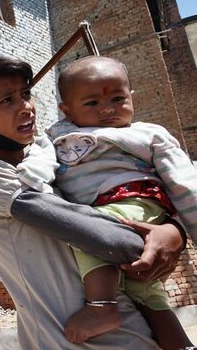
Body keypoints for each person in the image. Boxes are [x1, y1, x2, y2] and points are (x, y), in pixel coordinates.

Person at [0, 54, 186, 349]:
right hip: (70, 341)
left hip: (137, 336)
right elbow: (112, 238)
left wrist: (173, 231)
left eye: (25, 94)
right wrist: (172, 234)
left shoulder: (57, 163)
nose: (26, 108)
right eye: (7, 100)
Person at [18, 55, 195, 347]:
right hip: (102, 211)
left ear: (131, 97)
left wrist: (187, 228)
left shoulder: (147, 134)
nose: (108, 110)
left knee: (89, 233)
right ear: (67, 110)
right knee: (147, 291)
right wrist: (33, 176)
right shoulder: (59, 135)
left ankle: (101, 307)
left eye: (117, 98)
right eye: (92, 104)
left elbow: (184, 182)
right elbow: (42, 157)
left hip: (134, 200)